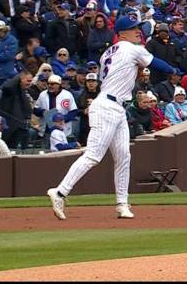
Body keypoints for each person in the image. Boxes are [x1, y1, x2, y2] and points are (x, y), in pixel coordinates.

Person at [47, 15, 179, 221]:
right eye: (133, 28)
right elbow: (159, 65)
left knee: (124, 156)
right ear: (122, 34)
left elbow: (122, 74)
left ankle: (122, 204)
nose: (138, 31)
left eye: (138, 28)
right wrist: (174, 70)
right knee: (93, 155)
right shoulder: (130, 48)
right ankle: (60, 192)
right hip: (107, 107)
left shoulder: (109, 52)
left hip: (116, 107)